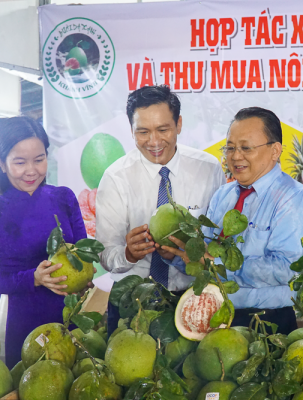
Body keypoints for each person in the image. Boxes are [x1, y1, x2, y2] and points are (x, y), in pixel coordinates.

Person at [163, 107, 303, 335]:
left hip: (267, 324)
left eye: (246, 148)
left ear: (275, 150)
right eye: (230, 148)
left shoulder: (293, 198)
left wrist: (219, 267)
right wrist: (176, 256)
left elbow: (289, 268)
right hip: (216, 317)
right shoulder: (222, 195)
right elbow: (205, 256)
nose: (236, 156)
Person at [96, 85, 225, 336]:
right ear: (131, 130)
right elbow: (106, 256)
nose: (154, 142)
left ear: (178, 124)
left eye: (163, 129)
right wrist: (128, 254)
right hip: (133, 302)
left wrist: (196, 254)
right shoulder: (115, 177)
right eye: (143, 132)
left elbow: (219, 242)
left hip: (194, 299)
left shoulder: (208, 170)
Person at [0, 116, 88, 368]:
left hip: (68, 318)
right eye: (20, 162)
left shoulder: (64, 198)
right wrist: (33, 278)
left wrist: (84, 279)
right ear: (1, 163)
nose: (32, 170)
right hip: (19, 321)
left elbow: (83, 256)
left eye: (39, 159)